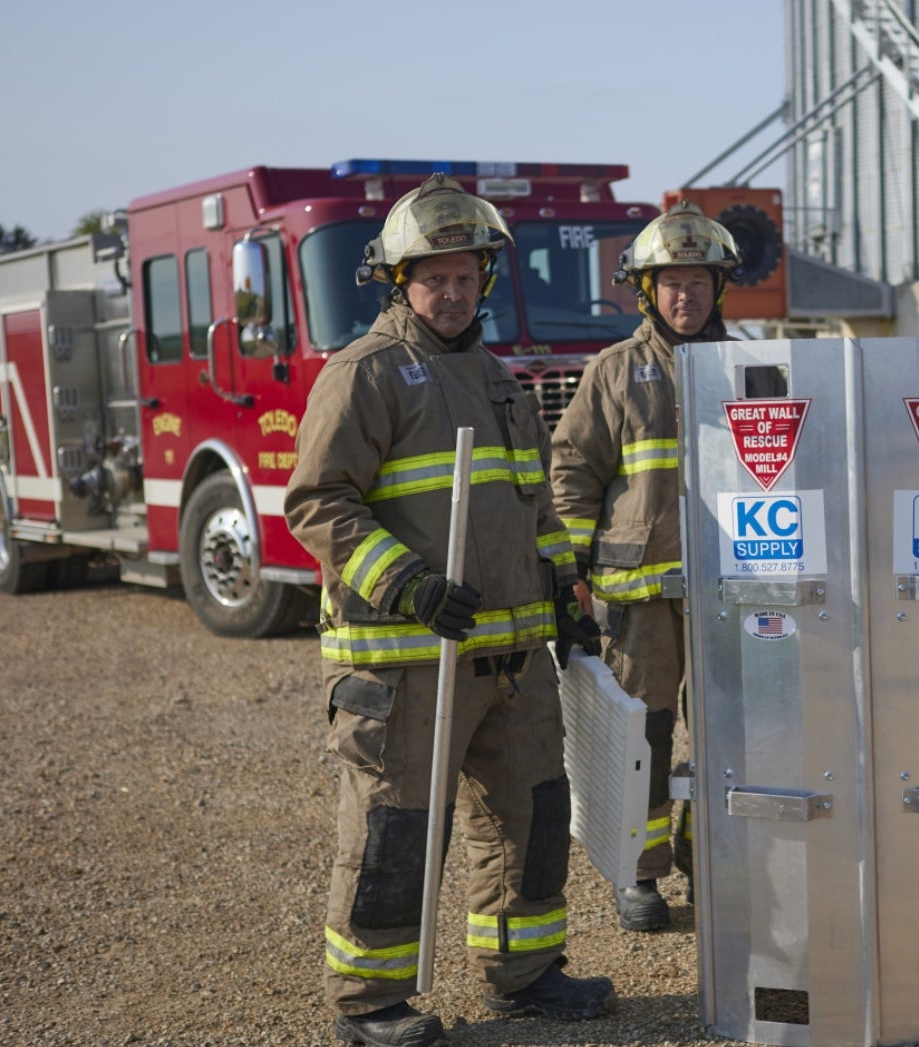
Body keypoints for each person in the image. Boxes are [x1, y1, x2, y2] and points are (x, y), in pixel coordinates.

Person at [286, 173, 611, 1047]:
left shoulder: (501, 383)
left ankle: (526, 970)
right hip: (405, 661)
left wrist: (564, 598)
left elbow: (534, 506)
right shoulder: (365, 375)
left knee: (529, 815)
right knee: (396, 827)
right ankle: (370, 1001)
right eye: (436, 279)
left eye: (468, 277)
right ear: (401, 282)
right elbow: (319, 503)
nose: (455, 293)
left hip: (510, 658)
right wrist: (410, 584)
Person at [549, 200, 739, 931]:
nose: (684, 295)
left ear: (716, 288)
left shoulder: (750, 367)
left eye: (696, 281)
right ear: (646, 292)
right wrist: (571, 570)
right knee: (646, 742)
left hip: (733, 593)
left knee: (736, 732)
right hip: (639, 602)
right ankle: (640, 874)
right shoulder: (614, 372)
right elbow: (571, 473)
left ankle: (725, 861)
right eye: (670, 283)